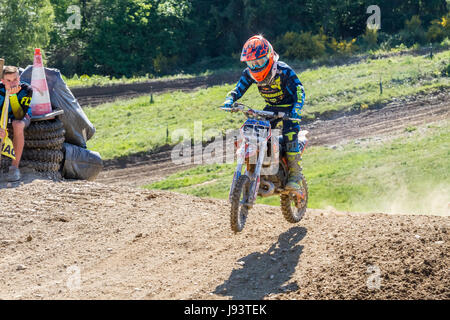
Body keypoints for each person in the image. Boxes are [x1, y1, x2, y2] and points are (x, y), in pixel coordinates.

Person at [223, 35, 305, 190]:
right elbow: (238, 88)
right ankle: (262, 167)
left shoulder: (283, 71)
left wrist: (296, 108)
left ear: (269, 57)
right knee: (257, 132)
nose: (255, 66)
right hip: (271, 108)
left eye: (259, 62)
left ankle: (295, 174)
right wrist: (230, 99)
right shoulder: (249, 73)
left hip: (289, 109)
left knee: (289, 135)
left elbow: (299, 90)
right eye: (251, 63)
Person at [0, 66, 33, 182]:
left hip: (20, 116)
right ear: (2, 81)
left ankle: (14, 168)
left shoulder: (26, 90)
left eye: (15, 80)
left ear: (19, 78)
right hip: (2, 117)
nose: (12, 83)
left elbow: (19, 115)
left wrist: (13, 96)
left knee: (17, 124)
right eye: (8, 81)